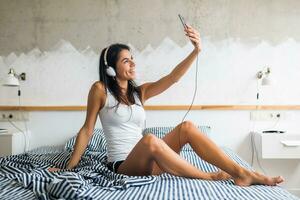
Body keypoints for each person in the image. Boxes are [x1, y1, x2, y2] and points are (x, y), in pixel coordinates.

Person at [49, 24, 284, 187]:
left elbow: (173, 78)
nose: (132, 64)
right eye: (126, 60)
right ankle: (211, 177)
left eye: (133, 58)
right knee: (150, 140)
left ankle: (240, 173)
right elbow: (87, 130)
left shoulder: (140, 92)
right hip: (124, 164)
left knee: (187, 127)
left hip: (153, 161)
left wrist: (196, 51)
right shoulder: (100, 90)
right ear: (111, 68)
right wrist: (70, 167)